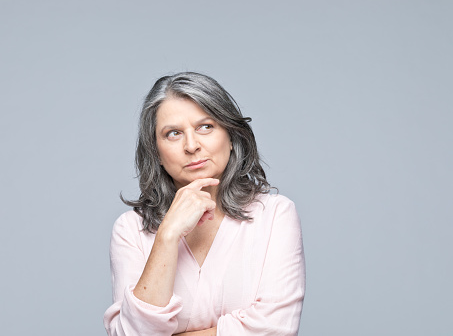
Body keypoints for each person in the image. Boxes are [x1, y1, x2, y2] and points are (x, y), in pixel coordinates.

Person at [103, 72, 305, 335]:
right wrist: (167, 235)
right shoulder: (130, 230)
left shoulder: (275, 215)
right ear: (157, 154)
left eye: (205, 127)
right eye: (173, 133)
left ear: (231, 136)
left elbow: (275, 329)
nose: (191, 145)